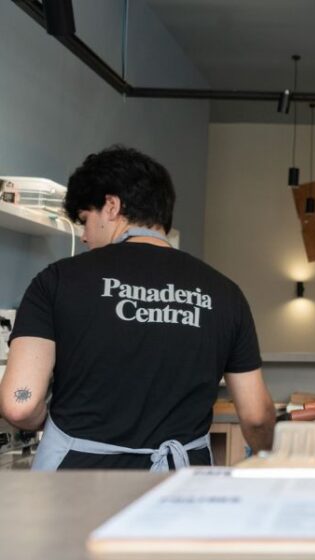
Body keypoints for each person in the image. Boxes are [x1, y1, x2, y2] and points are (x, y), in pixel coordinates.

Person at [0, 146, 276, 470]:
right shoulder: (226, 293)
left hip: (75, 478)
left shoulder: (56, 281)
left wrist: (54, 425)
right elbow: (256, 417)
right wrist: (266, 455)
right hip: (181, 483)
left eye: (85, 220)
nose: (85, 237)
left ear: (112, 206)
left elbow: (20, 405)